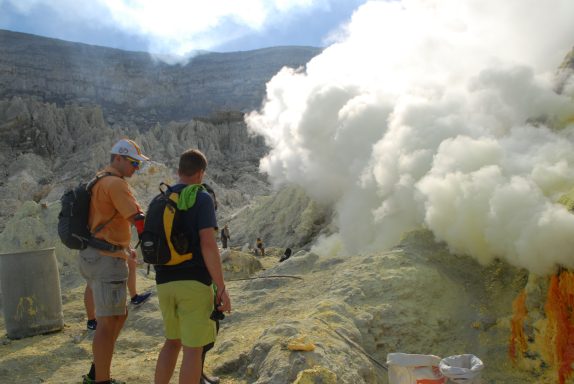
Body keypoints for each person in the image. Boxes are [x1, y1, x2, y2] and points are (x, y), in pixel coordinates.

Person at [153, 149, 231, 384]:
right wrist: (221, 287)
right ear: (201, 173)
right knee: (193, 350)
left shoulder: (160, 199)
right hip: (194, 283)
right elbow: (208, 244)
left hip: (164, 282)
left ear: (178, 171)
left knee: (171, 343)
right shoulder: (201, 197)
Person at [78, 138, 149, 384]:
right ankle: (101, 380)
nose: (136, 169)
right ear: (117, 158)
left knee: (119, 315)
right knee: (108, 322)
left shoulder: (98, 181)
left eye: (138, 164)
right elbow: (137, 219)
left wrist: (125, 246)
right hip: (106, 259)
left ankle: (97, 372)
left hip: (97, 254)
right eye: (133, 163)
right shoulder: (115, 184)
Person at [84, 253, 152, 330]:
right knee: (92, 281)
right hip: (103, 250)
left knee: (91, 281)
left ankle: (91, 321)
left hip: (92, 251)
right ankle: (92, 321)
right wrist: (125, 254)